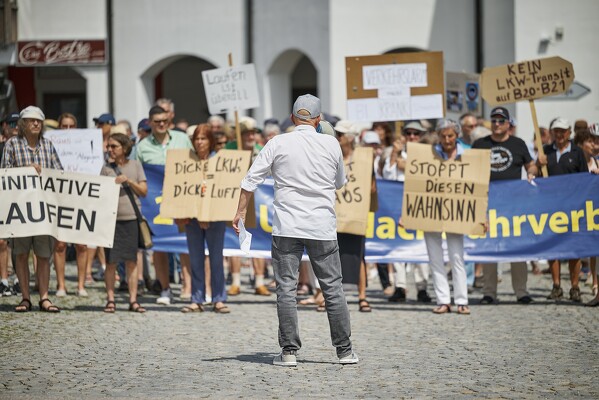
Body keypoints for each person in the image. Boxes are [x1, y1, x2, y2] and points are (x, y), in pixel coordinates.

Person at [233, 94, 358, 366]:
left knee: (286, 290)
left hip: (287, 225)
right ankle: (345, 351)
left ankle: (289, 352)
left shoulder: (277, 142)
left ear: (292, 118)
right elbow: (340, 182)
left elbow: (250, 180)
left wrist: (240, 212)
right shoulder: (332, 144)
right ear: (318, 119)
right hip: (321, 226)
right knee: (333, 289)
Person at [472, 106, 537, 305]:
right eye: (494, 120)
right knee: (490, 247)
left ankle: (521, 292)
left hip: (513, 204)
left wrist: (533, 170)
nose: (497, 124)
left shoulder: (518, 144)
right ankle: (489, 292)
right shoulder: (480, 144)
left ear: (509, 124)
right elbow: (469, 170)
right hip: (487, 203)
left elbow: (530, 165)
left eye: (501, 120)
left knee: (517, 247)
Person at [1, 106, 63, 312]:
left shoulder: (48, 145)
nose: (36, 123)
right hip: (20, 210)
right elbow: (4, 174)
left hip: (43, 210)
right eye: (31, 120)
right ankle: (25, 298)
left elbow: (59, 174)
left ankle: (44, 297)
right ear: (22, 124)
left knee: (44, 254)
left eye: (39, 120)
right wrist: (26, 171)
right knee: (20, 254)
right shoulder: (12, 144)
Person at [135, 105, 193, 304]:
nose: (161, 124)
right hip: (154, 203)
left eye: (164, 121)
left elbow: (193, 165)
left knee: (184, 242)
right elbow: (137, 174)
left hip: (182, 198)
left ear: (169, 121)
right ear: (150, 122)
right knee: (159, 245)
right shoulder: (141, 147)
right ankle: (165, 289)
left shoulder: (182, 139)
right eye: (157, 121)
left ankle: (188, 286)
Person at [420, 119, 471, 314]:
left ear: (457, 135)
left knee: (457, 256)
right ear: (438, 137)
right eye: (443, 136)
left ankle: (461, 300)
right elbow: (417, 185)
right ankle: (443, 300)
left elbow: (478, 188)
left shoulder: (468, 154)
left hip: (457, 211)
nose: (447, 140)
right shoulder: (429, 155)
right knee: (435, 257)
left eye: (450, 136)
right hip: (431, 210)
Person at [178, 124, 229, 314]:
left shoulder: (219, 161)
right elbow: (181, 189)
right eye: (197, 138)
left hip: (215, 218)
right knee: (195, 259)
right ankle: (196, 299)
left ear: (210, 141)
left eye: (203, 138)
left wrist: (207, 214)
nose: (199, 142)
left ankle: (218, 299)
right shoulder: (187, 161)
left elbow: (221, 189)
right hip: (191, 218)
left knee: (216, 259)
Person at [538, 118, 588, 302]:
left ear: (569, 133)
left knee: (573, 250)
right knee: (553, 249)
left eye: (563, 131)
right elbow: (536, 175)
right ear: (552, 133)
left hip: (573, 208)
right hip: (551, 208)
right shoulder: (545, 152)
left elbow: (584, 180)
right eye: (556, 131)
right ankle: (556, 285)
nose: (559, 135)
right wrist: (537, 164)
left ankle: (575, 287)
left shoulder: (577, 152)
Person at [382, 121, 432, 303]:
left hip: (420, 205)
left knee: (421, 247)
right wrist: (395, 154)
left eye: (415, 134)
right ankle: (400, 286)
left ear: (420, 136)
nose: (412, 137)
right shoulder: (396, 154)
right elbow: (388, 176)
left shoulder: (428, 155)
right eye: (409, 133)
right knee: (397, 247)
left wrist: (407, 166)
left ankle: (422, 287)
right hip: (398, 205)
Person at [100, 133, 147, 313]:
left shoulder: (135, 166)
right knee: (111, 262)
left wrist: (129, 181)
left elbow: (144, 191)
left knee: (132, 261)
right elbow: (99, 193)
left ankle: (133, 300)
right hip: (111, 221)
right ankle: (110, 300)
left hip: (131, 220)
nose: (110, 150)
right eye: (109, 146)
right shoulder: (105, 168)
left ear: (125, 148)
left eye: (114, 146)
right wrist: (112, 183)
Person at [52, 113, 90, 298]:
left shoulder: (85, 145)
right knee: (60, 244)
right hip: (59, 198)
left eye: (71, 126)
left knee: (81, 244)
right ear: (59, 128)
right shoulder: (51, 146)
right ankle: (61, 285)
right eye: (64, 126)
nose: (67, 130)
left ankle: (81, 285)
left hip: (80, 197)